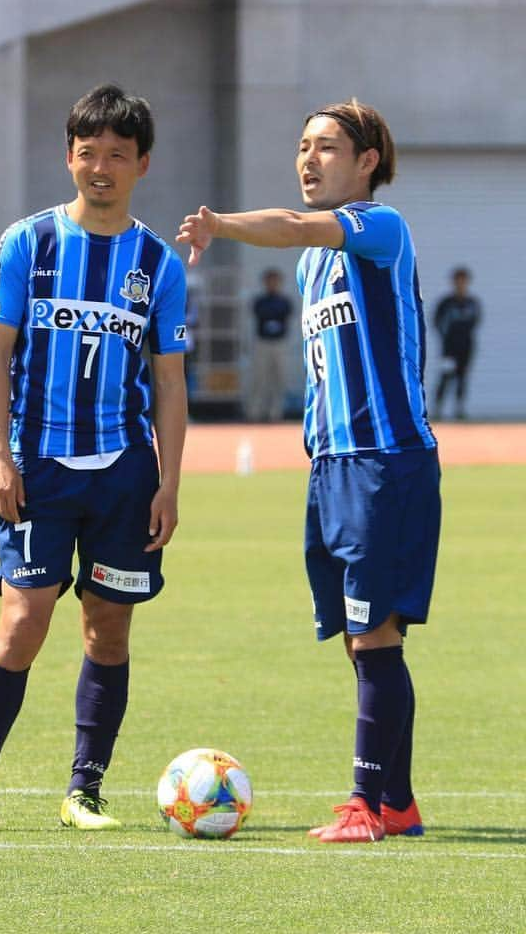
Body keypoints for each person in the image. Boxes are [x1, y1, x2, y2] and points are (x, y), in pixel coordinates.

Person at [177, 98, 440, 844]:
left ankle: (365, 804)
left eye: (327, 146)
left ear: (367, 162)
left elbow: (291, 224)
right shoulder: (312, 261)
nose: (308, 158)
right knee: (363, 639)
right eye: (302, 145)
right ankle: (397, 802)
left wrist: (221, 224)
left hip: (385, 463)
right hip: (331, 469)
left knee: (376, 633)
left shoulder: (379, 229)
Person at [0, 84, 188, 834]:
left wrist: (169, 485)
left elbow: (171, 384)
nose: (101, 168)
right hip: (37, 466)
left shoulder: (158, 262)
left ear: (142, 164)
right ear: (69, 157)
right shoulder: (28, 243)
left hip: (123, 474)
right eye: (89, 154)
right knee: (23, 621)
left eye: (118, 155)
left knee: (108, 628)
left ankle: (85, 790)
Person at [433, 267, 481, 420]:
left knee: (462, 377)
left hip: (466, 348)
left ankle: (459, 410)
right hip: (449, 348)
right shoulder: (446, 303)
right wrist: (445, 339)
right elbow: (437, 322)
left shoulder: (472, 303)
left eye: (463, 281)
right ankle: (437, 410)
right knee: (445, 377)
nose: (461, 284)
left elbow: (475, 322)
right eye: (458, 280)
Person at [247, 268, 293, 422]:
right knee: (259, 378)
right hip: (263, 343)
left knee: (279, 378)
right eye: (269, 281)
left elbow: (284, 315)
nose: (272, 284)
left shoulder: (284, 301)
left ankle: (276, 413)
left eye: (275, 281)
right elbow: (261, 314)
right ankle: (255, 412)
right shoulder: (259, 301)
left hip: (279, 343)